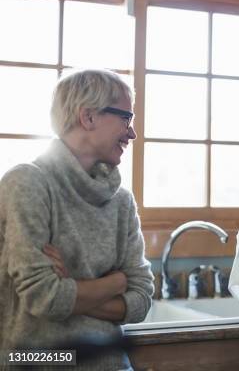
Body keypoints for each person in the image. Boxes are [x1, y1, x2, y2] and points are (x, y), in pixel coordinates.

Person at [0, 69, 154, 370]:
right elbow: (45, 298)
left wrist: (71, 283)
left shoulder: (122, 200)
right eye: (126, 118)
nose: (132, 133)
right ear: (89, 117)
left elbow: (142, 299)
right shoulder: (26, 183)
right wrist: (117, 281)